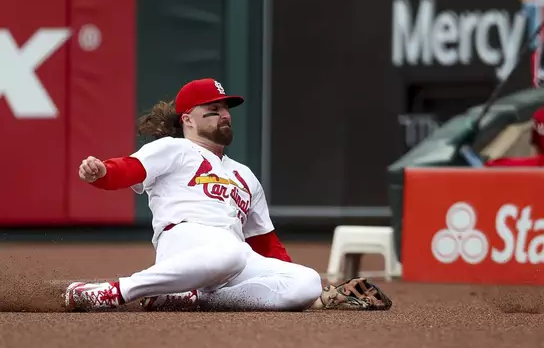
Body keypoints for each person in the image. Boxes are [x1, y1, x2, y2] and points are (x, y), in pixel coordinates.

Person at [66, 78, 391, 312]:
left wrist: (304, 288)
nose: (224, 114)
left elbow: (266, 245)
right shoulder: (173, 149)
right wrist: (101, 172)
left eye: (225, 108)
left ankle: (191, 298)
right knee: (229, 253)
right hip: (185, 241)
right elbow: (127, 170)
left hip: (231, 253)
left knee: (306, 281)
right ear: (188, 119)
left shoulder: (244, 175)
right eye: (213, 109)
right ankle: (115, 292)